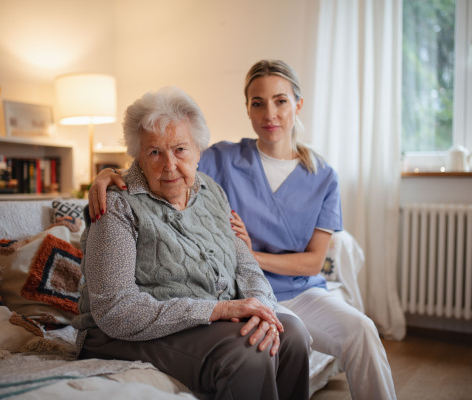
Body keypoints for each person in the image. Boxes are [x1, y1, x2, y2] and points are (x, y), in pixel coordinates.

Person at [88, 60, 397, 400]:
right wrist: (109, 174)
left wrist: (259, 300)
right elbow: (154, 156)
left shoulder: (308, 177)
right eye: (258, 102)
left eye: (280, 100)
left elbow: (284, 263)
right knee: (258, 346)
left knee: (308, 332)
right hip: (214, 304)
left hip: (284, 290)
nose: (270, 114)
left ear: (297, 104)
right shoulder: (223, 159)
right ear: (248, 109)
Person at [72, 86, 311, 400]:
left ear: (199, 150)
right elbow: (115, 311)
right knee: (249, 353)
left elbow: (245, 264)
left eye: (180, 149)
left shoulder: (211, 191)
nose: (169, 165)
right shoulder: (116, 205)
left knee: (291, 334)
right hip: (119, 333)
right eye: (154, 152)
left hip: (204, 323)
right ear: (138, 157)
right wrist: (217, 310)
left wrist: (263, 309)